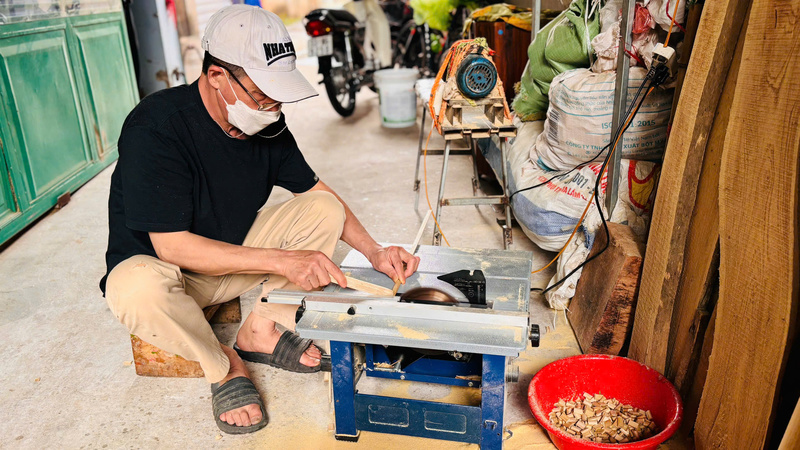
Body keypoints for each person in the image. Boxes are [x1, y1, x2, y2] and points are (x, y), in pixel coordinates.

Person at [100, 5, 420, 435]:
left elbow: (319, 193)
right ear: (217, 76)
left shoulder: (268, 125)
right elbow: (171, 246)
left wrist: (375, 251)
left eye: (278, 94)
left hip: (231, 261)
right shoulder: (156, 127)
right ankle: (225, 365)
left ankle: (261, 330)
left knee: (324, 208)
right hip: (168, 274)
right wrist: (285, 261)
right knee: (134, 288)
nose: (272, 106)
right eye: (261, 93)